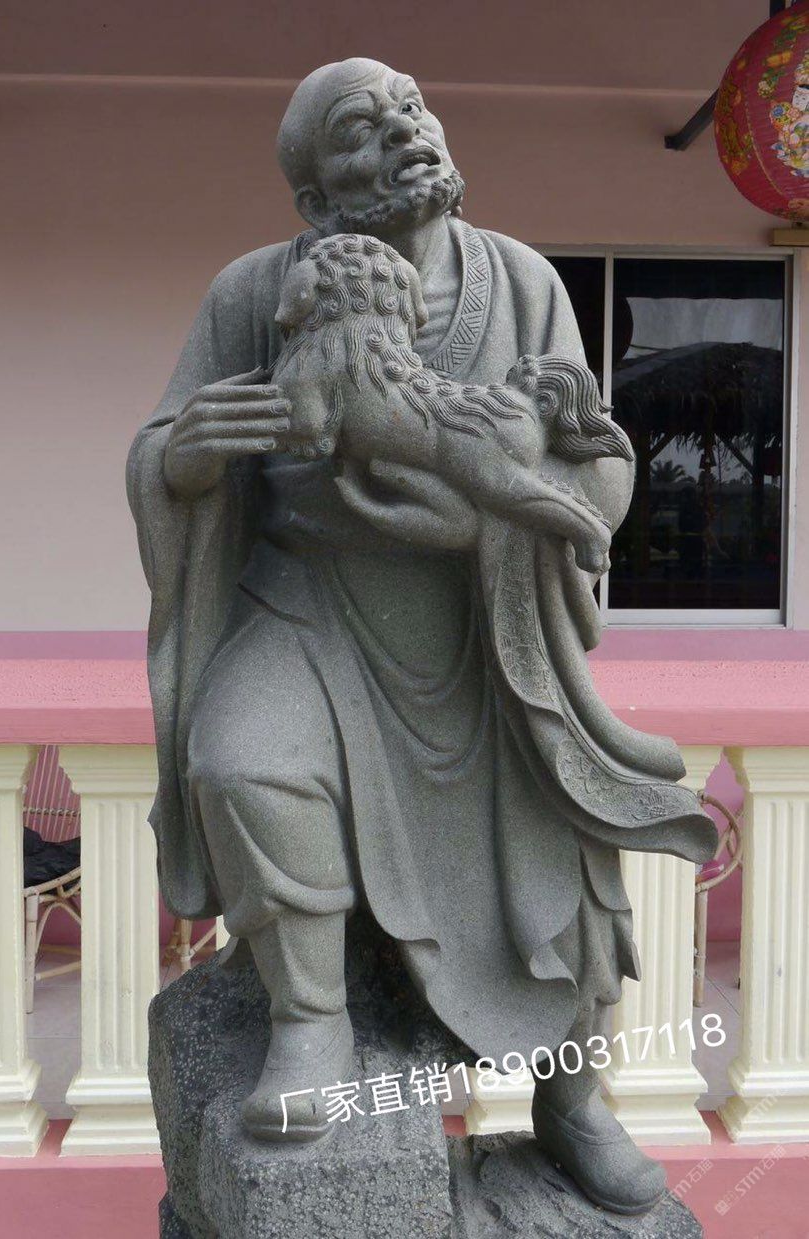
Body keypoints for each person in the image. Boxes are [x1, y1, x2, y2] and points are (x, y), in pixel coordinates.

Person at [128, 58, 715, 1214]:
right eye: (360, 126)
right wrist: (186, 458)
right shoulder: (257, 293)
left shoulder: (523, 282)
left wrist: (546, 501)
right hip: (309, 612)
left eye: (410, 106)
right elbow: (163, 450)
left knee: (565, 853)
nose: (403, 130)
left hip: (486, 633)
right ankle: (311, 1024)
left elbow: (595, 455)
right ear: (314, 196)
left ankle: (572, 1100)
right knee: (242, 762)